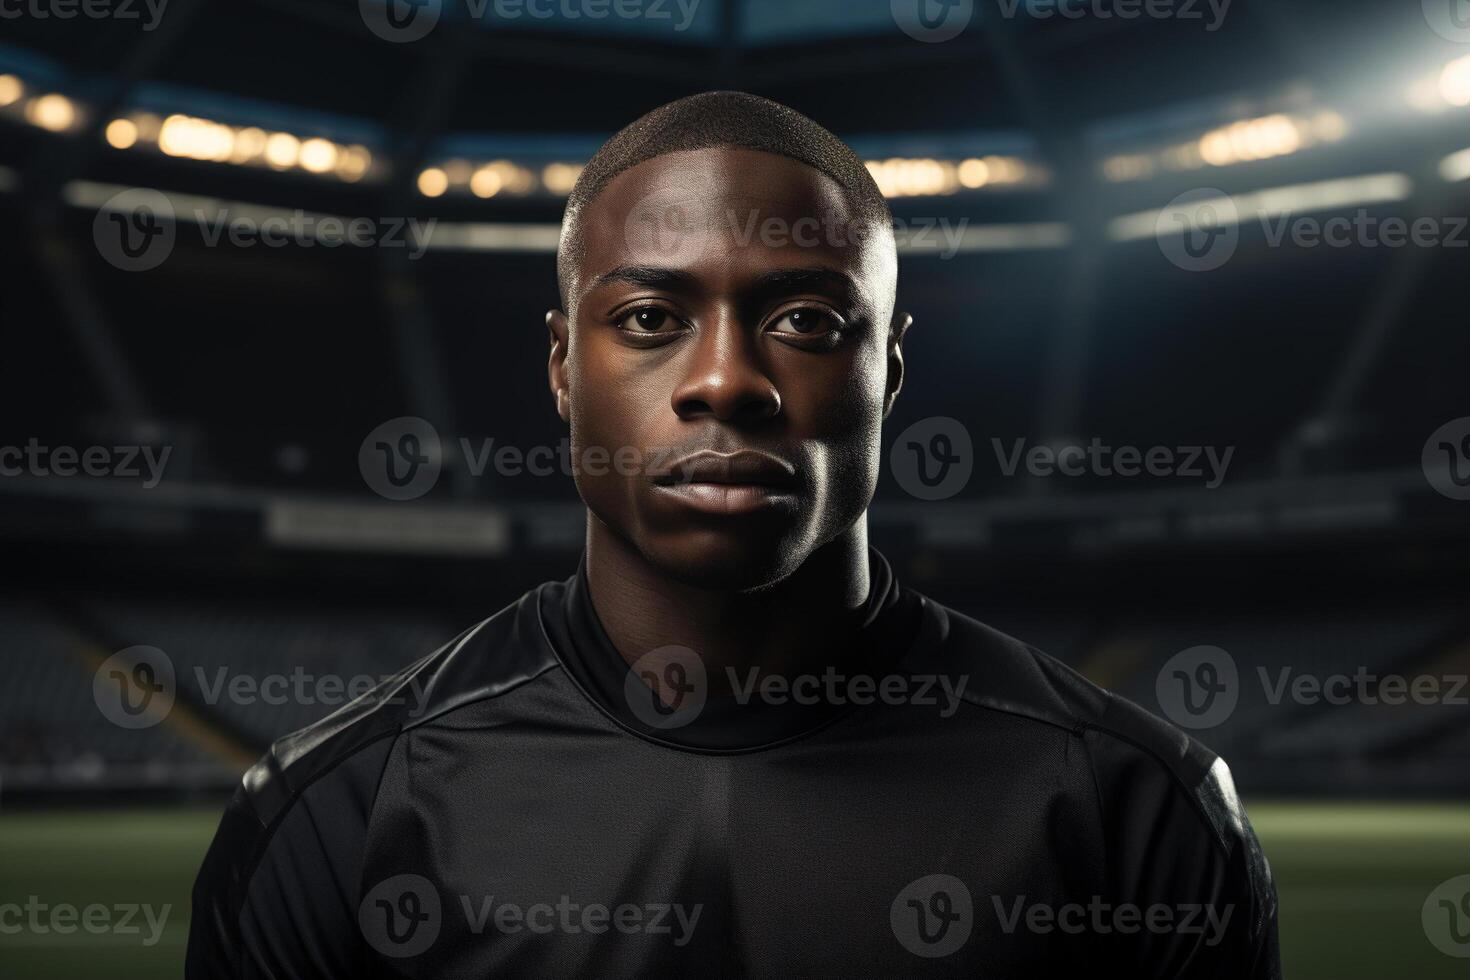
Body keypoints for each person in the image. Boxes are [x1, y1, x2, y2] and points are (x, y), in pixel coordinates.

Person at [186, 90, 1281, 978]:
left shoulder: (1139, 809)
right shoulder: (336, 811)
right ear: (564, 368)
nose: (726, 380)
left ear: (888, 373)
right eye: (650, 319)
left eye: (805, 319)